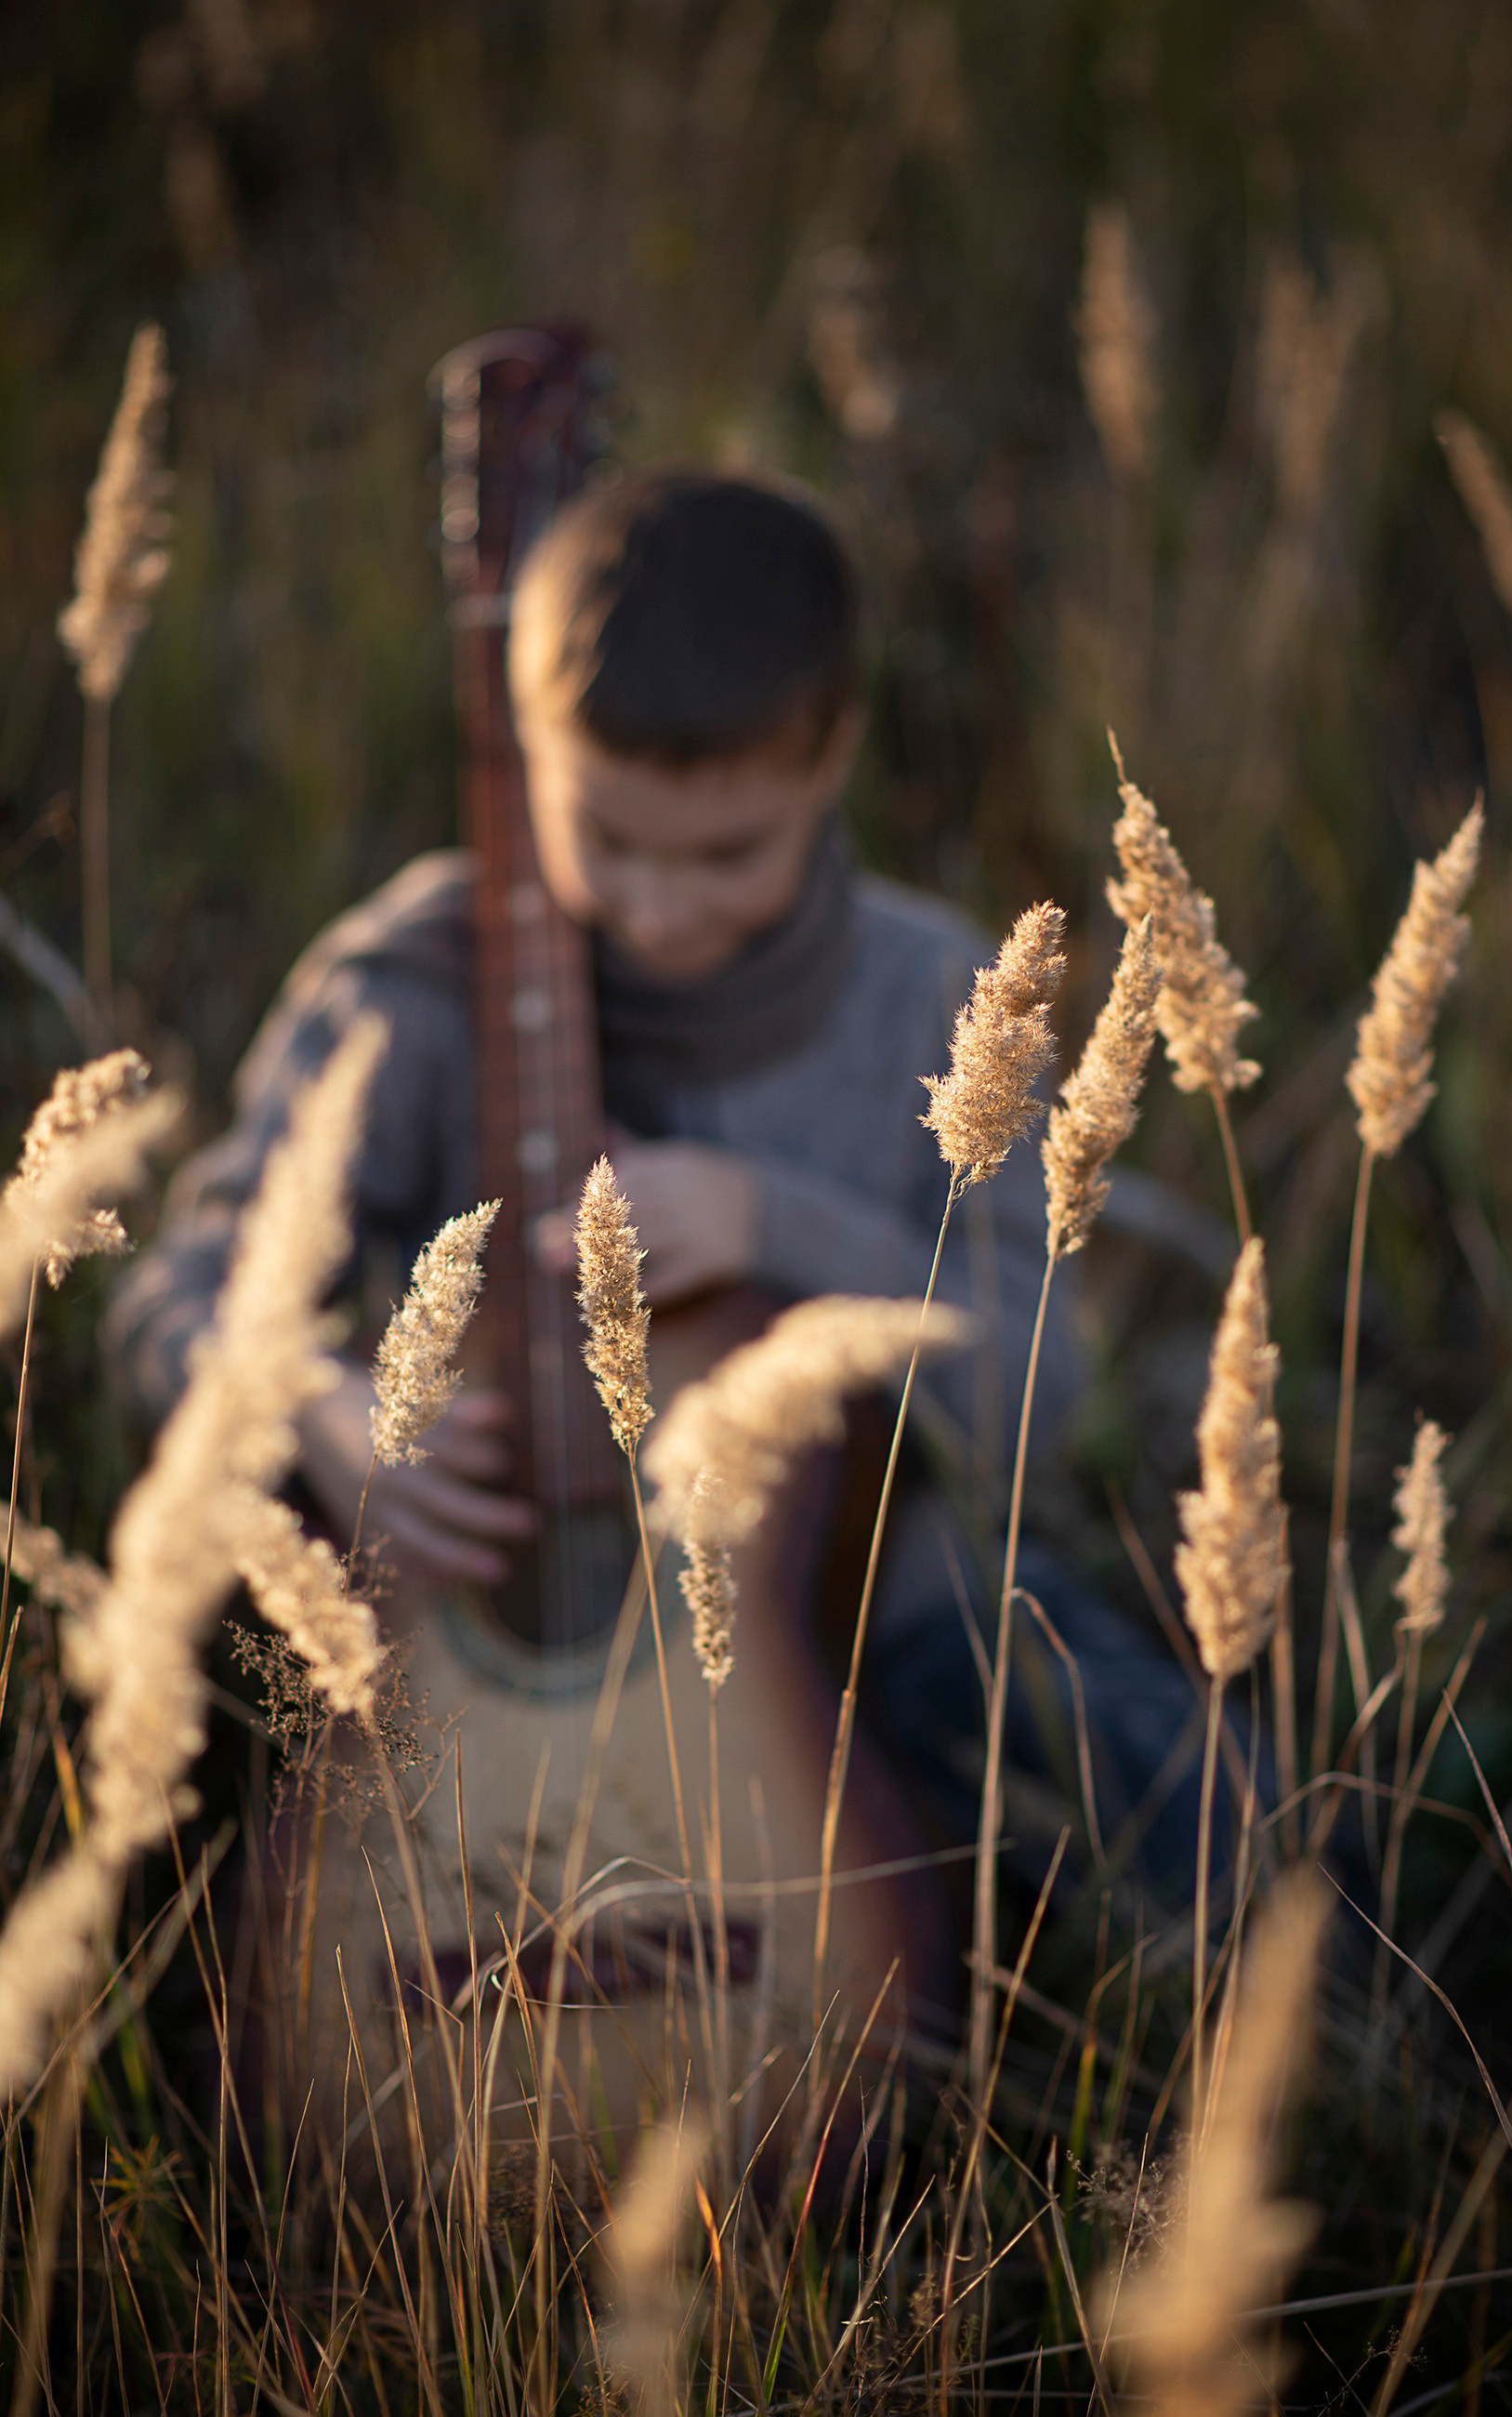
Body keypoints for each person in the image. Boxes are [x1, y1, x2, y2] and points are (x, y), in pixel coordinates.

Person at [107, 466, 1220, 1913]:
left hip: (870, 1613)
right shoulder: (416, 981)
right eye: (608, 839)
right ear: (524, 756)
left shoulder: (938, 993)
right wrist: (315, 1402)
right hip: (476, 1642)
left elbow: (1045, 1389)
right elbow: (168, 1300)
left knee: (1204, 1818)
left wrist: (772, 1224)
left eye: (725, 854)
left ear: (831, 757)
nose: (656, 905)